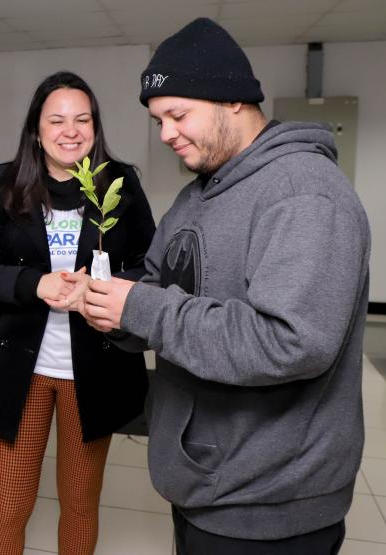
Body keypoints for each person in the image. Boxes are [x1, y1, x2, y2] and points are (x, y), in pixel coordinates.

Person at [78, 18, 371, 554]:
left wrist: (141, 308)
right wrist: (112, 308)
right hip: (206, 481)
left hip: (271, 506)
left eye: (177, 114)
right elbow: (159, 288)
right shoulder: (198, 195)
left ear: (232, 99)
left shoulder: (304, 194)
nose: (165, 133)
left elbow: (291, 342)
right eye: (158, 119)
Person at [0, 71, 156, 555]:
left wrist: (105, 289)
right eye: (57, 120)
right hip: (20, 369)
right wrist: (35, 283)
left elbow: (150, 267)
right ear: (37, 129)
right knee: (9, 506)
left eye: (82, 119)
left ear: (95, 126)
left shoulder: (120, 183)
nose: (71, 131)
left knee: (80, 505)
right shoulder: (8, 184)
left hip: (94, 369)